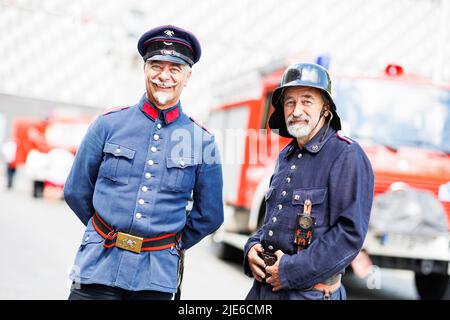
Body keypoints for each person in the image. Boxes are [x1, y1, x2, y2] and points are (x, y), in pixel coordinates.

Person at [64, 25, 224, 300]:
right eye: (156, 66)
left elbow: (210, 214)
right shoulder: (108, 125)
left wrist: (168, 245)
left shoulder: (202, 141)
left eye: (175, 68)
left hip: (155, 279)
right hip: (96, 266)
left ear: (188, 76)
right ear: (144, 69)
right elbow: (75, 191)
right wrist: (102, 231)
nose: (164, 76)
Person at [243, 62, 374, 300]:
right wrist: (251, 247)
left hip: (309, 295)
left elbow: (349, 236)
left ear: (325, 109)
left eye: (307, 101)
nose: (296, 110)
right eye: (290, 102)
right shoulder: (286, 155)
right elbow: (274, 221)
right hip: (263, 293)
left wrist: (290, 271)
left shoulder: (347, 155)